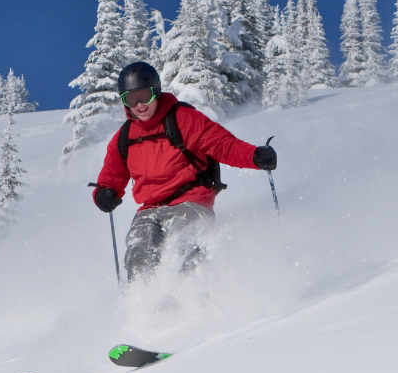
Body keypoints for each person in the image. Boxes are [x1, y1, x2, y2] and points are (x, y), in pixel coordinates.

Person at [92, 62, 277, 281]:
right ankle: (143, 305)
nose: (140, 105)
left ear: (156, 91)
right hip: (149, 209)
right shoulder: (125, 137)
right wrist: (105, 194)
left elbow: (222, 145)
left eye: (144, 96)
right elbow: (111, 175)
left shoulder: (182, 119)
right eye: (131, 99)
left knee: (183, 244)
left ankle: (195, 297)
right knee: (139, 251)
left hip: (190, 201)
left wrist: (254, 156)